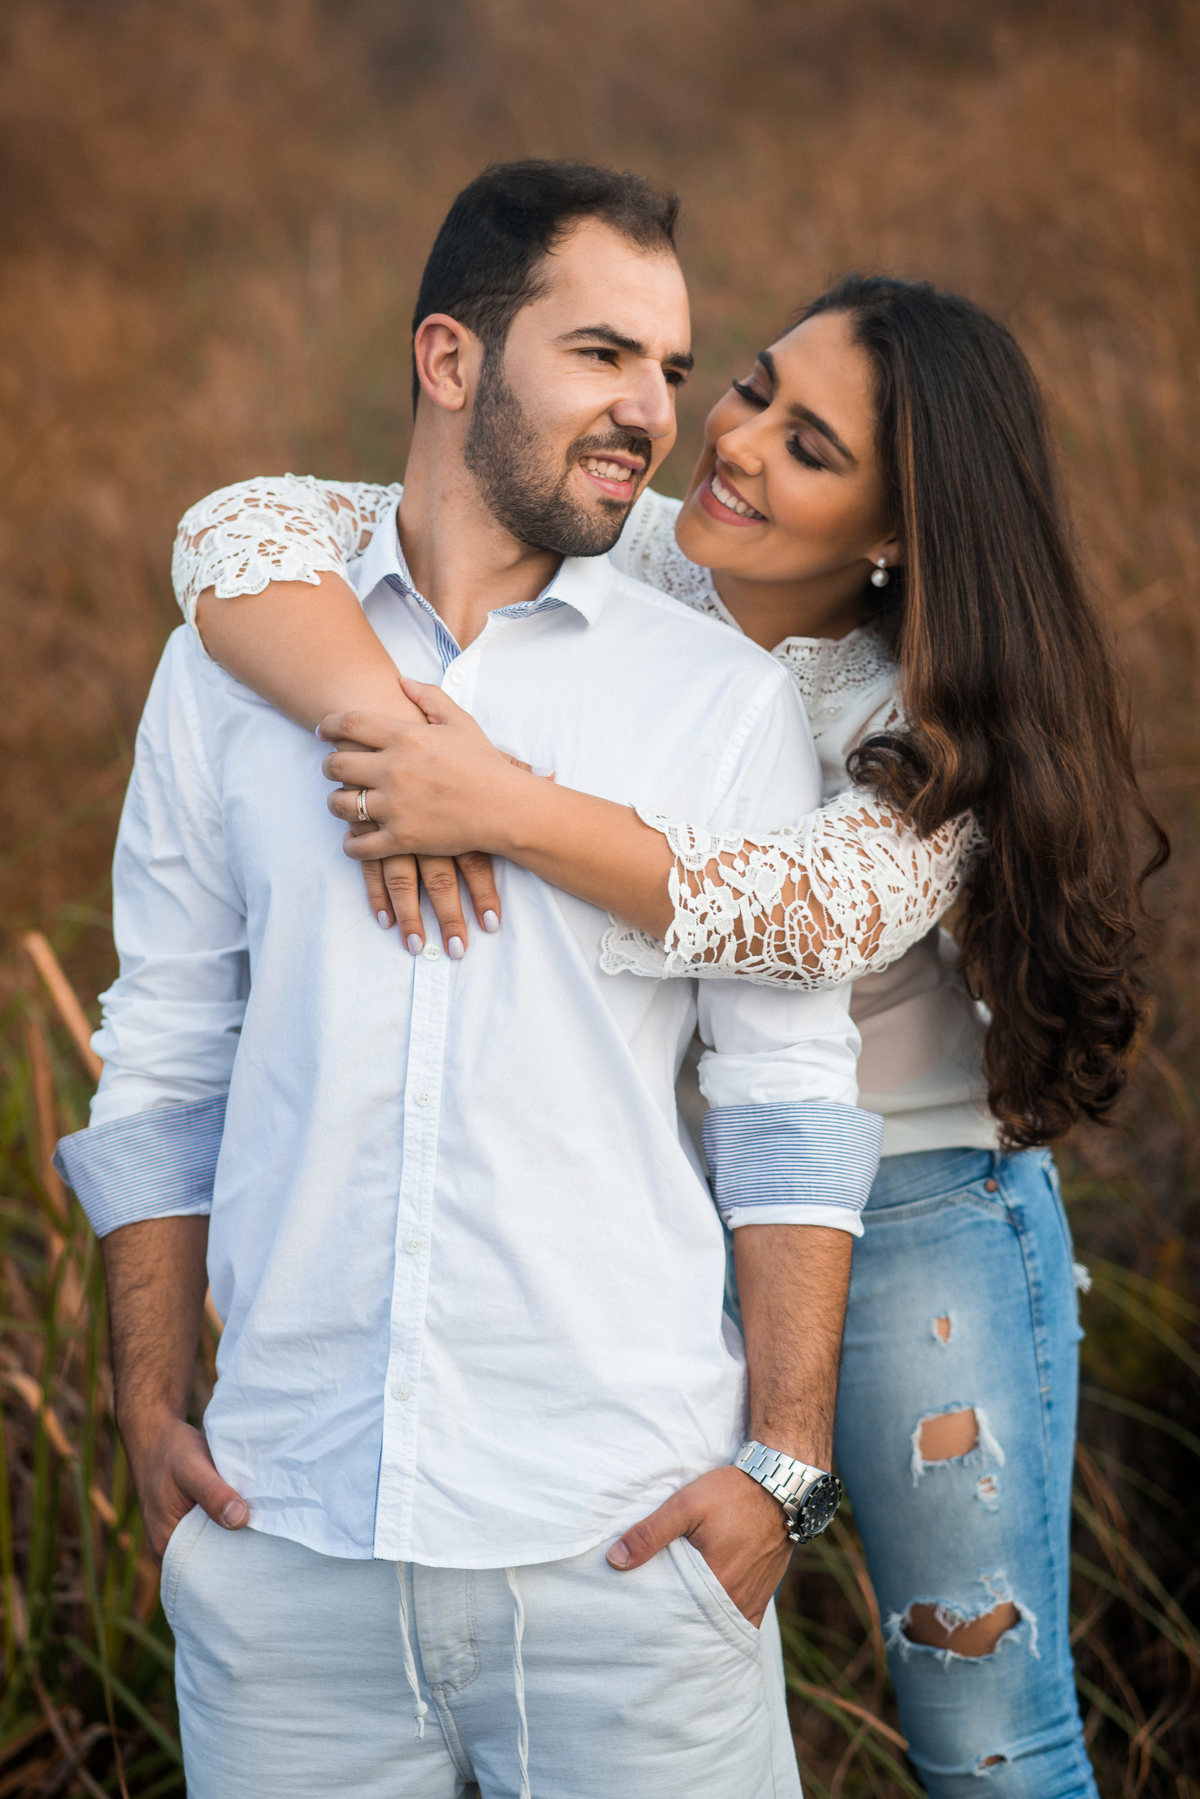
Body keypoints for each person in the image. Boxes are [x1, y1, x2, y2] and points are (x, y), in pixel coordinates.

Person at [171, 272, 1164, 1798]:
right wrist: (396, 723)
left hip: (915, 1215)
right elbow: (236, 531)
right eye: (754, 387)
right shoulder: (635, 545)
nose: (737, 441)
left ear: (898, 533)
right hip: (660, 1197)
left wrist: (496, 805)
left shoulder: (929, 714)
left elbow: (804, 916)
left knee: (983, 1731)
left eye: (810, 448)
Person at [55, 161, 886, 1799]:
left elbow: (788, 1093)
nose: (654, 412)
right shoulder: (230, 666)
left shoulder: (715, 702)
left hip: (630, 1555)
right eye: (602, 354)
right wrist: (152, 1408)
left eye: (671, 365)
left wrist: (784, 1466)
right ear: (449, 358)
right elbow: (164, 1045)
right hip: (286, 1547)